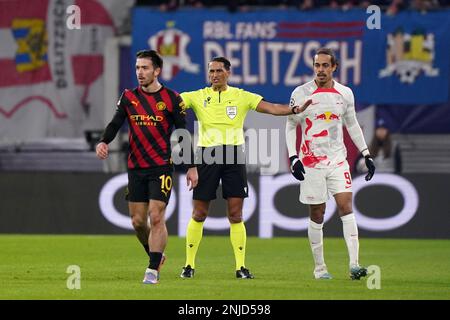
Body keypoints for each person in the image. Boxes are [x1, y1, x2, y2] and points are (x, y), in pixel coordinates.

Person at [179, 56, 311, 279]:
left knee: (236, 214)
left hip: (233, 156)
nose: (214, 75)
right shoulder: (197, 96)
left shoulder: (241, 96)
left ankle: (240, 267)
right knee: (199, 212)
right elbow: (169, 104)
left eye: (219, 71)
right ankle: (189, 265)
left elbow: (271, 108)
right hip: (206, 156)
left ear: (228, 72)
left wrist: (294, 110)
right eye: (211, 71)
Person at [96, 50, 198, 284]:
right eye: (137, 68)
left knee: (156, 215)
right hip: (136, 167)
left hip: (161, 166)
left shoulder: (172, 99)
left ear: (157, 71)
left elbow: (183, 134)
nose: (140, 73)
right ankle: (155, 255)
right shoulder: (129, 97)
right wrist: (103, 141)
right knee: (138, 222)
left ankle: (152, 269)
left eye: (145, 68)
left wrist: (192, 166)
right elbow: (115, 124)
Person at [285, 47, 375, 280]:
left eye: (326, 65)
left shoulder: (345, 93)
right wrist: (294, 157)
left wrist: (366, 153)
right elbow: (291, 125)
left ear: (334, 67)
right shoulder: (301, 92)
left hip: (337, 160)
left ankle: (354, 265)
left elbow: (352, 124)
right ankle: (320, 269)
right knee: (318, 213)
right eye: (317, 65)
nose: (321, 70)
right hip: (311, 162)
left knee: (346, 207)